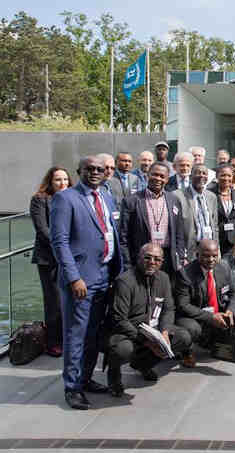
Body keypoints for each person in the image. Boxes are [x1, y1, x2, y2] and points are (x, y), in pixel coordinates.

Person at [50, 155, 123, 410]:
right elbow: (59, 242)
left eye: (99, 169)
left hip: (104, 276)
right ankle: (72, 388)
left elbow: (111, 232)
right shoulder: (65, 198)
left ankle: (86, 377)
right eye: (89, 169)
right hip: (80, 281)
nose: (95, 172)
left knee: (93, 334)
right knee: (76, 334)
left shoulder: (106, 196)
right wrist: (74, 277)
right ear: (79, 171)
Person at [106, 243, 193, 397]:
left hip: (155, 328)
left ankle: (142, 365)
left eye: (157, 259)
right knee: (122, 349)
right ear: (139, 258)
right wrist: (146, 341)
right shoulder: (125, 281)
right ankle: (114, 376)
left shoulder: (164, 278)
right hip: (129, 331)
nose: (152, 262)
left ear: (162, 262)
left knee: (183, 337)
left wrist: (165, 332)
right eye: (148, 258)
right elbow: (119, 319)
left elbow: (168, 309)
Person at [174, 239, 235, 366]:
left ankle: (220, 341)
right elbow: (183, 305)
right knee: (192, 329)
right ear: (197, 255)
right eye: (206, 256)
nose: (211, 259)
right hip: (195, 315)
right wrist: (211, 317)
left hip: (219, 309)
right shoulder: (184, 274)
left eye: (214, 256)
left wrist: (230, 311)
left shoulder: (223, 267)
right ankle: (186, 352)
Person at [30, 166, 73, 357]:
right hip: (49, 259)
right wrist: (62, 247)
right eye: (58, 180)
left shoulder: (72, 198)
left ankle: (66, 338)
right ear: (50, 181)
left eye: (65, 179)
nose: (62, 183)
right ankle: (53, 341)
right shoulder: (39, 199)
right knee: (53, 300)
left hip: (70, 257)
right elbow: (42, 229)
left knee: (69, 299)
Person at [119, 162, 186, 276]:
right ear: (147, 176)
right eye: (154, 175)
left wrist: (179, 258)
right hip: (143, 259)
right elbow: (123, 237)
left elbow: (179, 233)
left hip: (167, 259)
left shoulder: (174, 200)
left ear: (167, 179)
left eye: (162, 176)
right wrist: (127, 264)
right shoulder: (131, 201)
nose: (158, 179)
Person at [174, 165, 219, 262]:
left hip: (209, 249)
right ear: (190, 176)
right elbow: (177, 228)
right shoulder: (178, 196)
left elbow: (215, 225)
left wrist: (217, 248)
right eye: (198, 172)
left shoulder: (212, 197)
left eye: (204, 173)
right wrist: (182, 254)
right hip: (190, 249)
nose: (201, 176)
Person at [212, 164, 235, 257]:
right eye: (223, 175)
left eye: (229, 175)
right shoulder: (210, 194)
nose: (226, 178)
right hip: (218, 239)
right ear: (217, 176)